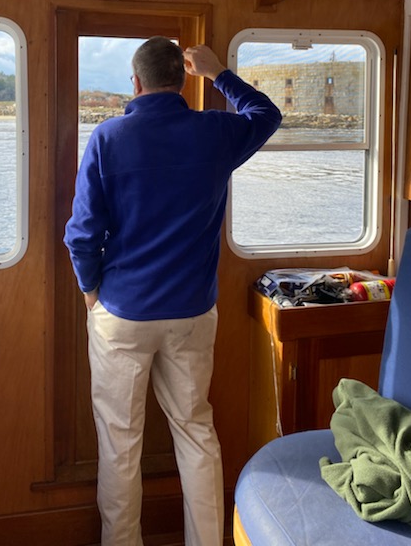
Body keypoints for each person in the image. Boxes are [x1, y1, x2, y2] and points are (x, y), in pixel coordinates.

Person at [64, 37, 282, 546]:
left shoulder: (108, 137)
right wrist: (219, 73)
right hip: (191, 312)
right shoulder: (215, 132)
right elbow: (266, 114)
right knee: (195, 430)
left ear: (135, 82)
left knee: (120, 442)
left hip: (123, 312)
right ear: (183, 81)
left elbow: (82, 234)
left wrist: (90, 291)